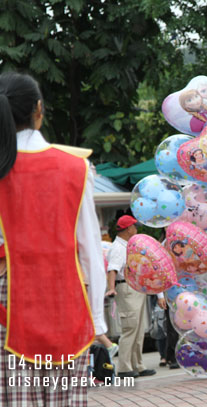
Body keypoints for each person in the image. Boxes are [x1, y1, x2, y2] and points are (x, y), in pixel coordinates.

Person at [0, 72, 106, 404]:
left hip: (8, 302)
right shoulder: (75, 167)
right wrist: (99, 318)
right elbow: (91, 247)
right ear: (39, 109)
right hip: (67, 298)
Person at [106, 215, 156, 378]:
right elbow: (112, 269)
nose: (136, 229)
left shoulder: (127, 245)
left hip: (133, 287)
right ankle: (124, 367)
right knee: (130, 328)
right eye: (134, 227)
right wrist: (111, 288)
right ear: (128, 229)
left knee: (138, 328)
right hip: (125, 288)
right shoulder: (118, 247)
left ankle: (137, 365)